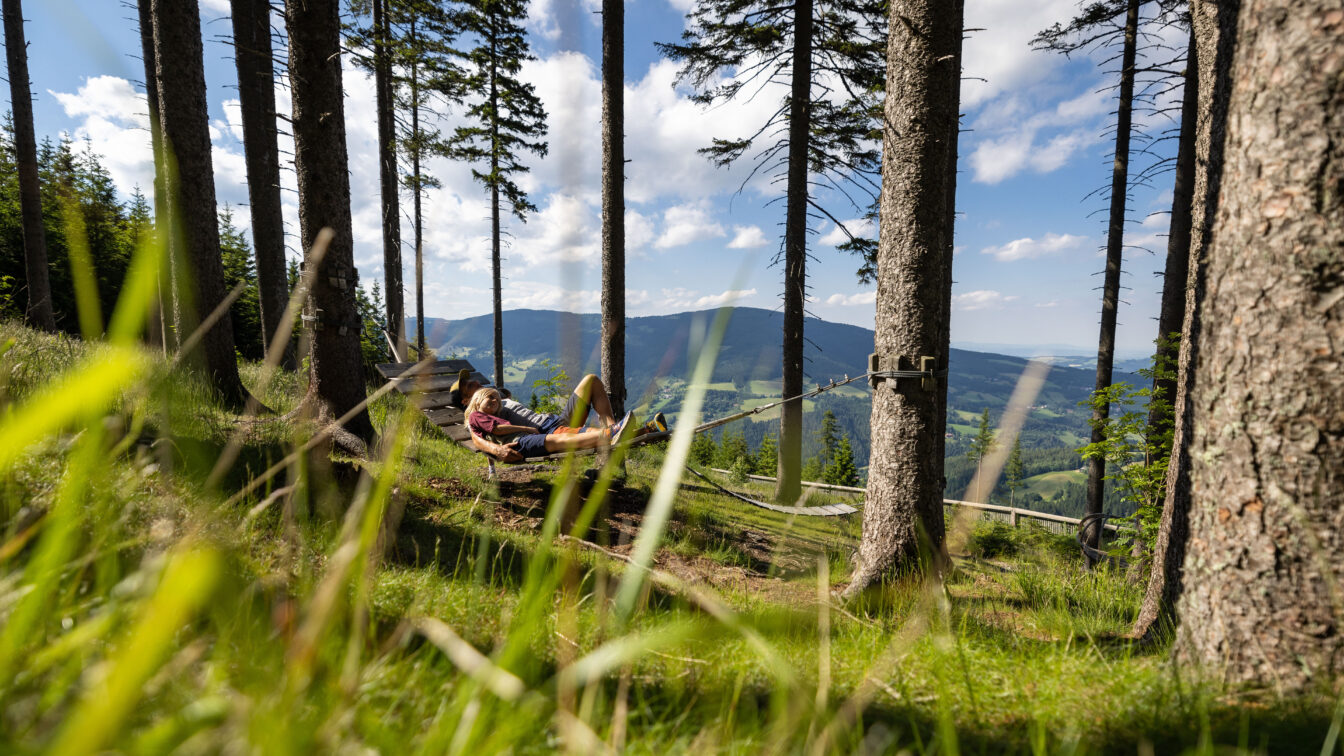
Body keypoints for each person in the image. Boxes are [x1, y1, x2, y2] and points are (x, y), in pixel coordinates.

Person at [465, 387, 640, 459]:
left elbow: (501, 400)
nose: (495, 401)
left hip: (546, 425)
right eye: (490, 397)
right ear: (474, 399)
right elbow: (480, 436)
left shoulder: (499, 406)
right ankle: (611, 433)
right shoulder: (476, 415)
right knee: (558, 439)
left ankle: (616, 430)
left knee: (591, 381)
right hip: (538, 433)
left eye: (497, 398)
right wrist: (497, 449)